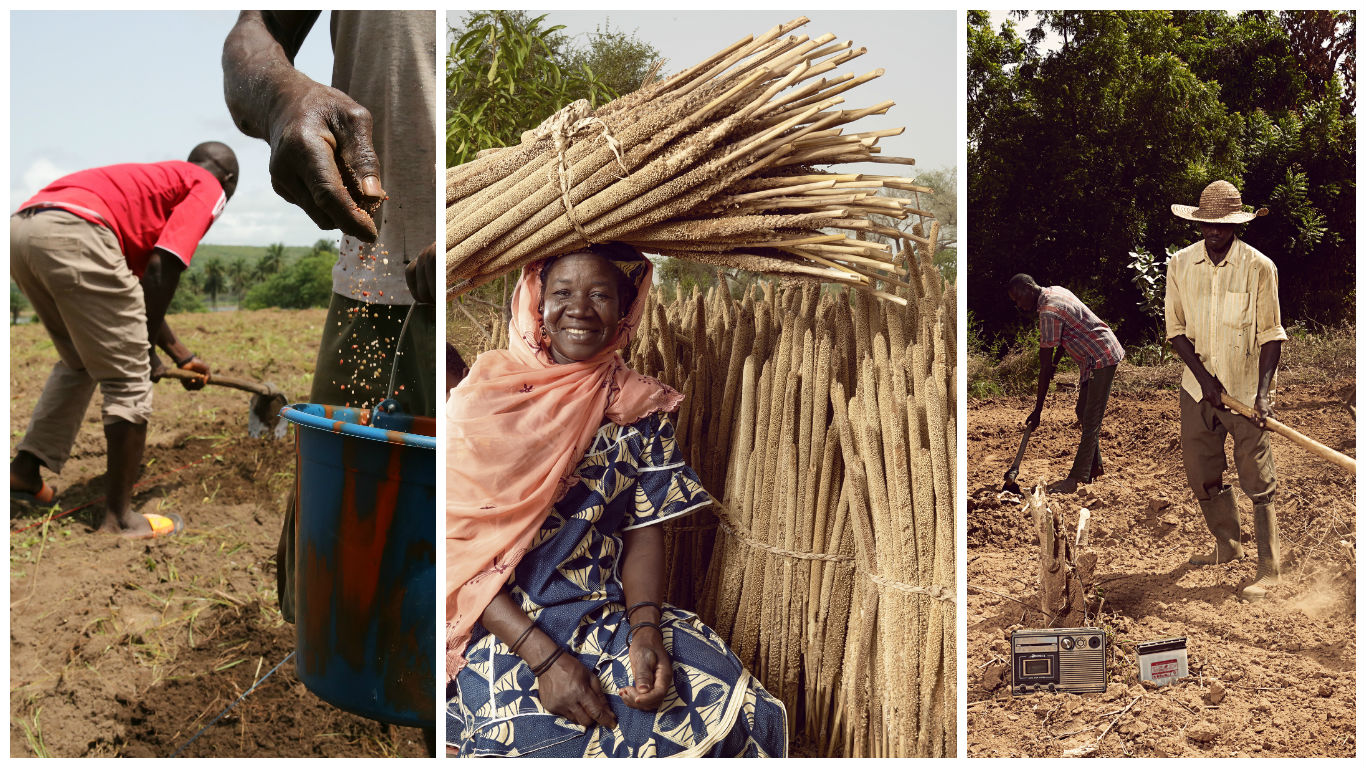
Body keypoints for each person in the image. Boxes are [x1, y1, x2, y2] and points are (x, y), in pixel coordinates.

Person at [446, 244, 788, 757]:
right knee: (555, 739)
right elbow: (451, 551)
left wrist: (645, 629)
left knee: (724, 703)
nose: (579, 308)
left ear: (625, 312)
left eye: (600, 294)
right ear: (537, 307)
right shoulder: (485, 401)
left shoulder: (639, 409)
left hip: (605, 613)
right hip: (500, 626)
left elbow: (643, 529)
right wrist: (542, 660)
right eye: (561, 293)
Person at [222, 10, 437, 622]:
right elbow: (251, 39)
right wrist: (285, 96)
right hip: (377, 288)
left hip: (522, 291)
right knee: (347, 578)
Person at [9, 142, 237, 538]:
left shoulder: (156, 184)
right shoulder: (208, 184)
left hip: (25, 228)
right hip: (78, 232)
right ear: (229, 181)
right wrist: (143, 352)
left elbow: (129, 287)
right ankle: (119, 520)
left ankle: (23, 475)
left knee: (80, 363)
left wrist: (182, 356)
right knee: (129, 379)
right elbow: (163, 266)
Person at [1166, 180, 1285, 602]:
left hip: (1246, 390)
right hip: (1197, 391)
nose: (1214, 232)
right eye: (1208, 225)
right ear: (1198, 223)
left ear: (1236, 225)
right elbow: (1176, 332)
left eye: (1223, 226)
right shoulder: (1180, 265)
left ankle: (1269, 568)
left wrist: (1263, 393)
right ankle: (1227, 544)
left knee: (1257, 477)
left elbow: (1271, 335)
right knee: (1201, 471)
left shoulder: (1259, 268)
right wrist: (1204, 380)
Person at [1007, 273, 1124, 495]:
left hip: (1102, 356)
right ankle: (1094, 466)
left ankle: (1077, 478)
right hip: (1093, 358)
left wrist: (1038, 410)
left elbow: (1043, 367)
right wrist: (1055, 364)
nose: (1019, 305)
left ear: (1027, 289)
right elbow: (1065, 334)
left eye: (1017, 299)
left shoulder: (1048, 311)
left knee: (1091, 418)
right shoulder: (1054, 291)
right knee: (1083, 410)